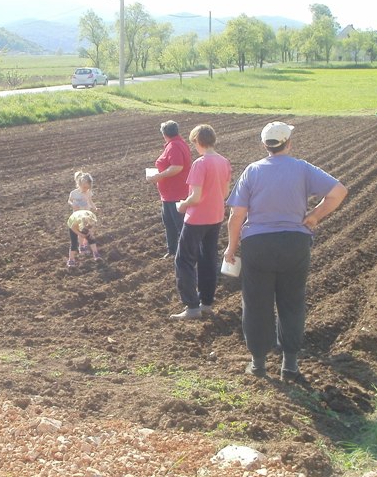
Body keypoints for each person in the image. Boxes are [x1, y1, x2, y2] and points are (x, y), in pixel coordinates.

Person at [224, 121, 348, 382]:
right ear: (289, 143)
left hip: (258, 245)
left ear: (264, 145)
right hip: (295, 243)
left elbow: (236, 216)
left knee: (257, 304)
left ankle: (258, 364)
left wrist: (231, 248)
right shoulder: (302, 168)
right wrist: (314, 216)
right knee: (292, 302)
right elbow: (338, 192)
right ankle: (289, 364)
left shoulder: (252, 171)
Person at [170, 124, 232, 320]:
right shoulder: (224, 162)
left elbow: (195, 198)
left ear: (197, 141)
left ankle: (191, 307)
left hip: (196, 219)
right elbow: (225, 193)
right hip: (215, 217)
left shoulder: (200, 163)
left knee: (184, 260)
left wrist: (182, 205)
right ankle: (206, 303)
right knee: (208, 259)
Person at [147, 120, 191, 259]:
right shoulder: (179, 143)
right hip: (170, 193)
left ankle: (185, 253)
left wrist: (159, 176)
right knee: (170, 223)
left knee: (178, 224)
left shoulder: (174, 146)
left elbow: (177, 166)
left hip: (175, 193)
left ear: (164, 134)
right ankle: (172, 251)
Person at [68, 171, 97, 254]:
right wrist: (72, 205)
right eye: (84, 187)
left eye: (87, 188)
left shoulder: (88, 192)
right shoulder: (74, 193)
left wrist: (95, 208)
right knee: (80, 231)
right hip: (78, 215)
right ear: (79, 184)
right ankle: (81, 246)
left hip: (87, 214)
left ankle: (84, 244)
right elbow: (69, 201)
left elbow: (90, 201)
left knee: (88, 230)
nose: (86, 189)